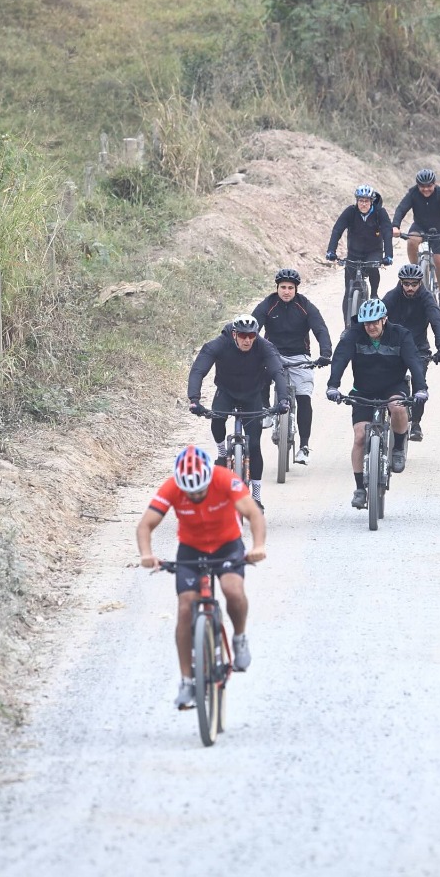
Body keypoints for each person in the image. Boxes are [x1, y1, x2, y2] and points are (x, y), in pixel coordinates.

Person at [137, 445, 267, 709]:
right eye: (190, 491)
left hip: (226, 545)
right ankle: (186, 680)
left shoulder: (223, 479)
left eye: (200, 490)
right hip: (191, 549)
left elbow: (253, 513)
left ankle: (240, 638)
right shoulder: (172, 487)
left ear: (209, 478)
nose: (195, 495)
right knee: (185, 608)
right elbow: (145, 525)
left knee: (232, 589)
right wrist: (146, 554)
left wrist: (258, 546)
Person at [325, 299, 428, 510]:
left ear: (384, 319)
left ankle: (398, 447)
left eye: (375, 322)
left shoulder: (401, 335)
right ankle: (360, 489)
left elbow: (414, 362)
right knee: (360, 435)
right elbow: (340, 358)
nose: (370, 327)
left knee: (398, 407)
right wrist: (333, 386)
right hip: (363, 390)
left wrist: (420, 388)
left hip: (393, 386)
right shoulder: (354, 335)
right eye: (366, 323)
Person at [187, 315, 292, 506]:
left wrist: (284, 399)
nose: (247, 340)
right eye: (243, 335)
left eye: (252, 335)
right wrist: (194, 400)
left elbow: (278, 372)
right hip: (226, 392)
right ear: (235, 334)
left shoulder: (264, 346)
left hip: (253, 395)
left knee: (254, 445)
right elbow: (198, 370)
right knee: (217, 420)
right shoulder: (219, 344)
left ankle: (257, 498)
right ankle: (221, 453)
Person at [251, 268, 333, 466]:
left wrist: (325, 354)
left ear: (296, 289)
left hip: (299, 355)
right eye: (282, 288)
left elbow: (320, 329)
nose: (286, 291)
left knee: (304, 397)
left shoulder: (305, 306)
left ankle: (304, 447)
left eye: (290, 288)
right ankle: (266, 411)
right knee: (259, 371)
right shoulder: (268, 304)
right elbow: (253, 326)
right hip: (272, 353)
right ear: (277, 288)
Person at [383, 262, 440, 441]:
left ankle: (416, 424)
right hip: (394, 347)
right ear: (401, 282)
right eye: (406, 284)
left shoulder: (426, 298)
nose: (410, 288)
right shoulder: (392, 296)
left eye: (414, 284)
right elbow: (376, 316)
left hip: (418, 348)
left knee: (419, 383)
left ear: (420, 283)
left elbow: (437, 320)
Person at [390, 168, 440, 308]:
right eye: (422, 186)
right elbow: (401, 209)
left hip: (439, 229)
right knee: (412, 241)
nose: (425, 189)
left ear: (434, 183)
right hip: (420, 227)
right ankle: (416, 270)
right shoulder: (413, 193)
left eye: (429, 186)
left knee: (439, 261)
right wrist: (395, 226)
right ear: (418, 185)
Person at [324, 185, 395, 323]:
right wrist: (331, 251)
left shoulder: (380, 213)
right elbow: (337, 230)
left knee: (373, 268)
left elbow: (387, 233)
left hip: (373, 251)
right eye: (360, 201)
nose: (363, 204)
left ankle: (374, 293)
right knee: (348, 291)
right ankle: (347, 327)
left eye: (366, 201)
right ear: (356, 201)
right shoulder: (350, 212)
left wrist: (388, 255)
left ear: (372, 201)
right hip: (354, 253)